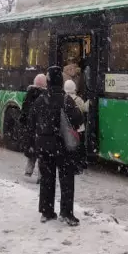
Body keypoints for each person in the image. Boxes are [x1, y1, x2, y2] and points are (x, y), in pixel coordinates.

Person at [29, 66, 85, 225]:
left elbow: (31, 121)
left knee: (47, 178)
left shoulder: (40, 99)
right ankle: (66, 213)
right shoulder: (66, 100)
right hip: (63, 147)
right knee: (66, 179)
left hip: (44, 146)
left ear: (47, 81)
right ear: (61, 81)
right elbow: (78, 120)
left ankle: (47, 212)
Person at [20, 74, 47, 178]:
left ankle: (28, 171)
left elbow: (24, 111)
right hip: (42, 128)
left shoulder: (29, 94)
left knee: (31, 149)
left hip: (31, 127)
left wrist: (24, 123)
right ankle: (41, 176)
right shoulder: (46, 96)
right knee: (41, 153)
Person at [64, 79, 89, 173]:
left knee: (72, 146)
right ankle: (81, 163)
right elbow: (85, 109)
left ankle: (72, 164)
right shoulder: (78, 99)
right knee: (80, 146)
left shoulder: (64, 98)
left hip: (69, 128)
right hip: (79, 128)